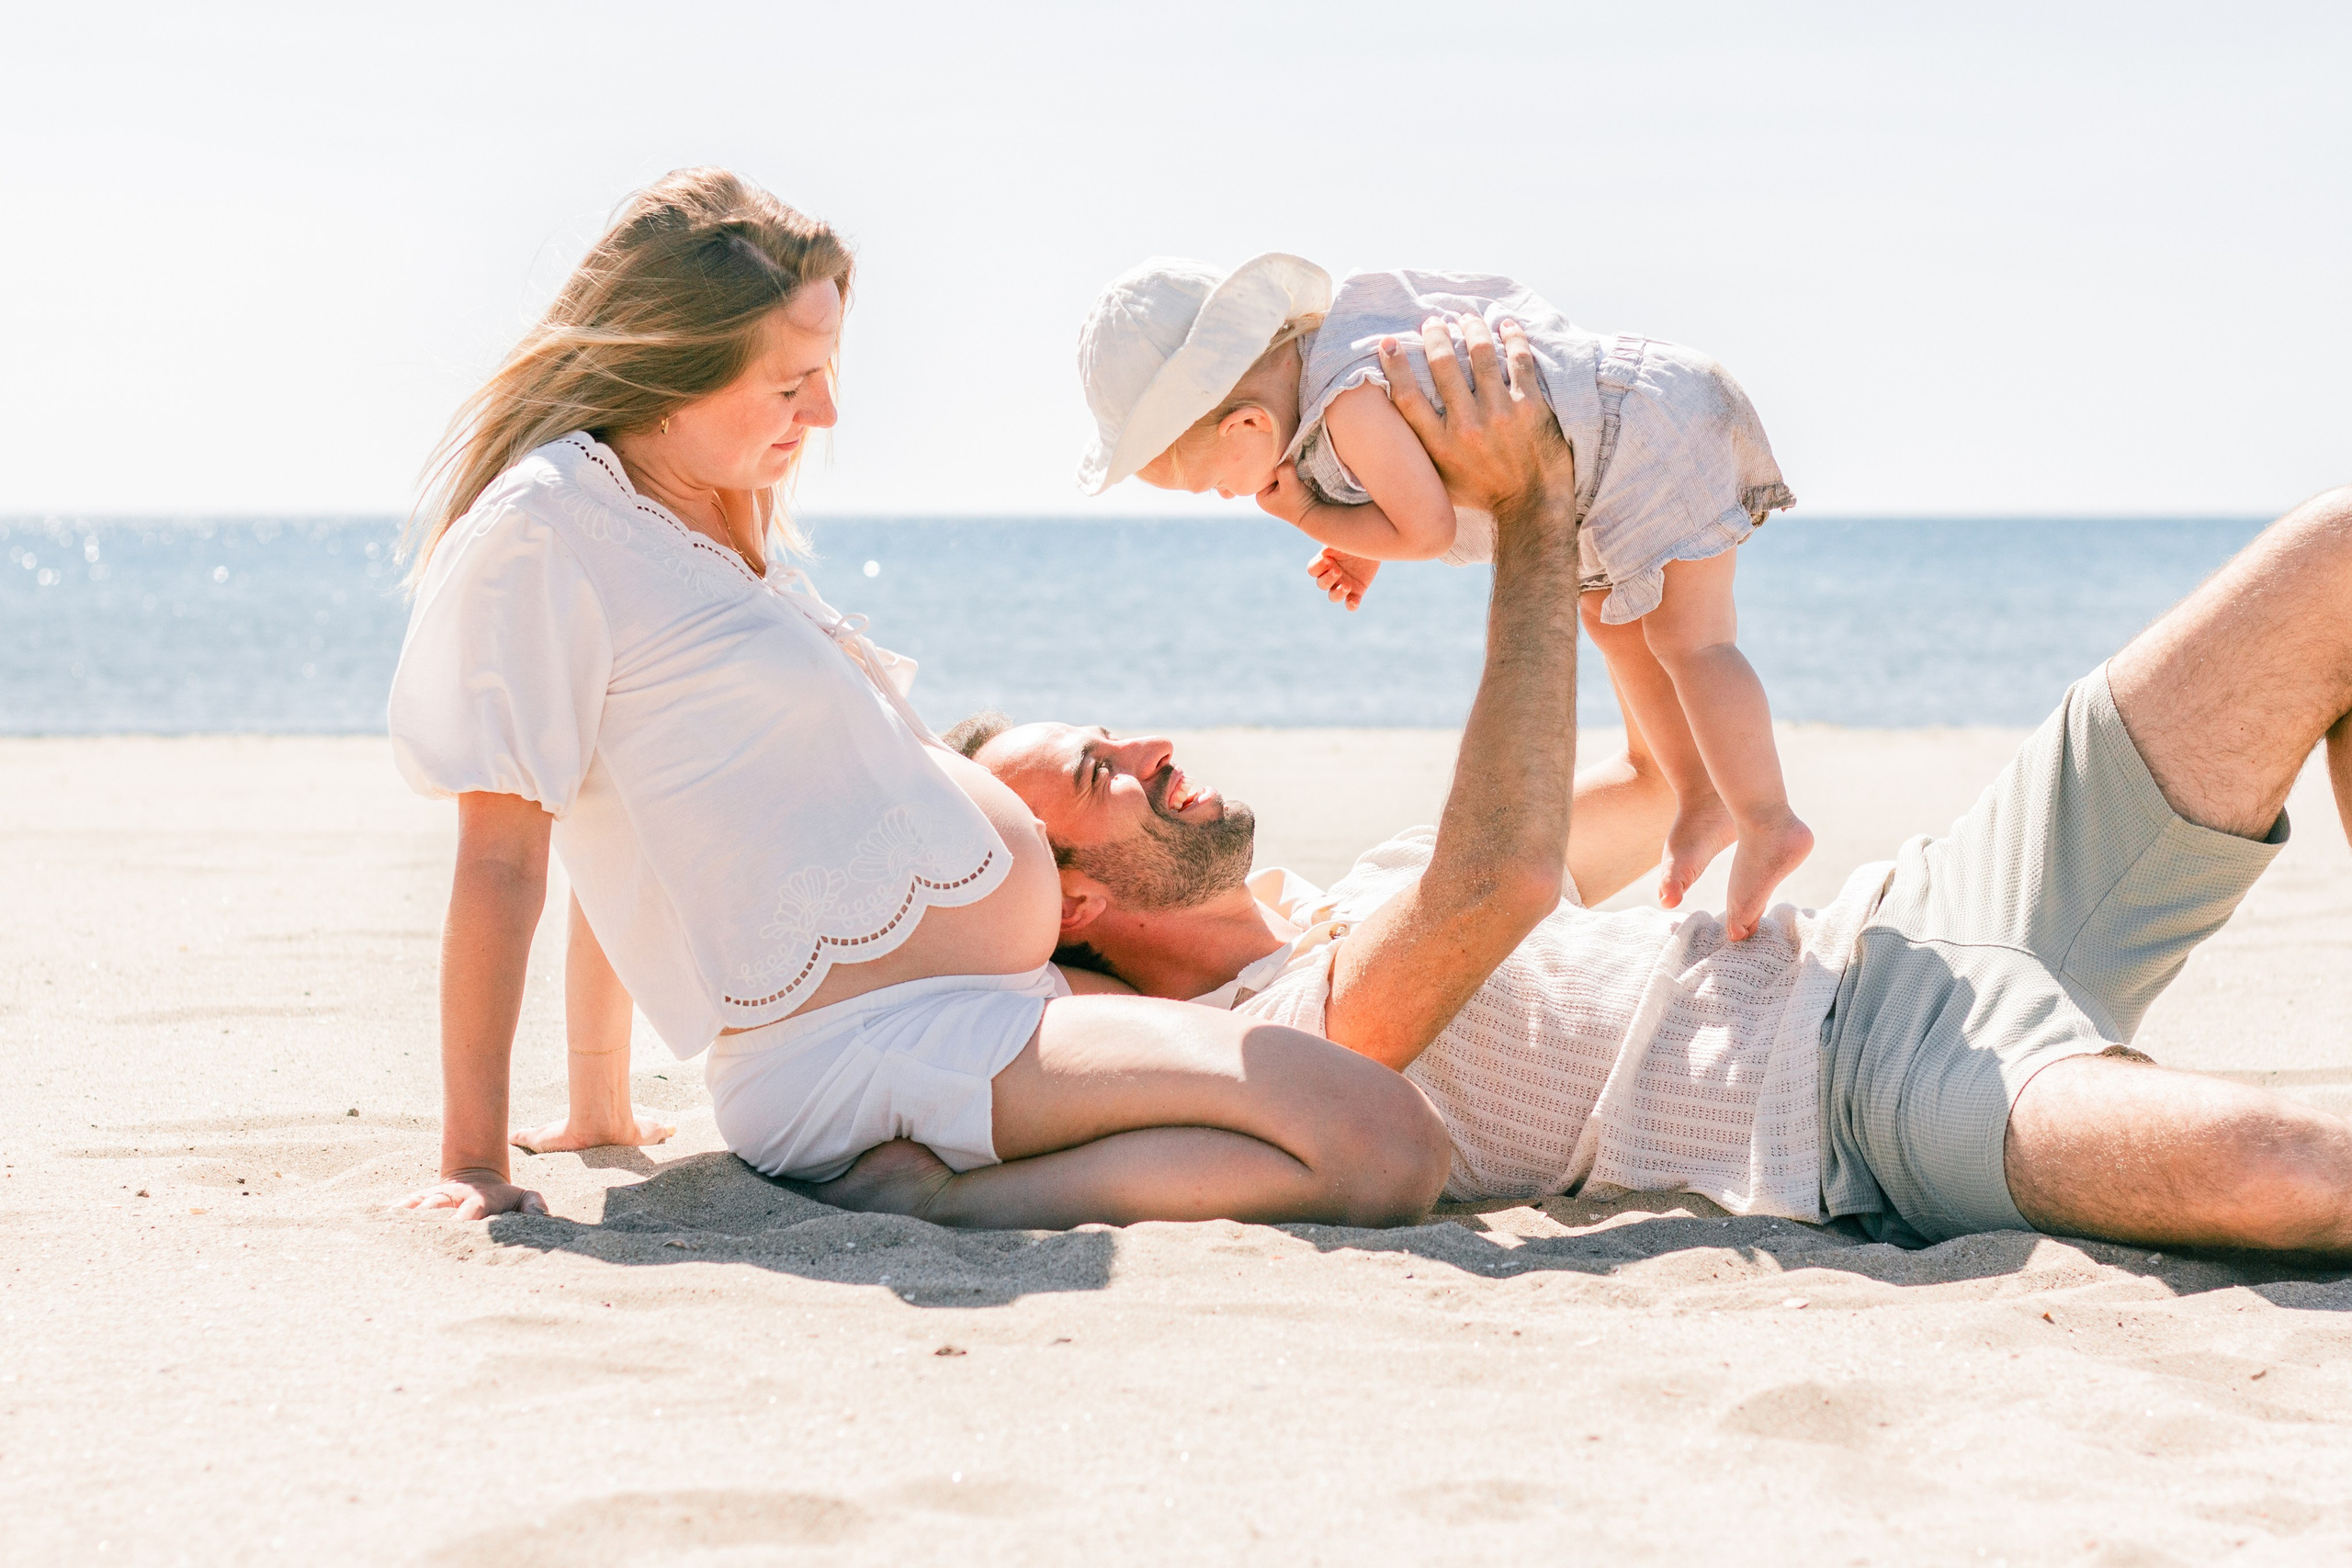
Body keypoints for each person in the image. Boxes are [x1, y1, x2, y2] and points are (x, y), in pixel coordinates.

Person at [968, 311, 2352, 1255]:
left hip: (1910, 916)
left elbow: (1650, 775)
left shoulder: (1365, 887)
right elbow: (1502, 878)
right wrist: (1526, 509)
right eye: (1102, 770)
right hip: (1870, 1098)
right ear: (1069, 890)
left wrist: (1596, 508)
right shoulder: (1279, 1044)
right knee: (2298, 1169)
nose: (1150, 745)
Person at [384, 167, 1453, 1231]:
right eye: (792, 381)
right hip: (865, 1046)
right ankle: (943, 1198)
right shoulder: (549, 528)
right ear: (672, 367)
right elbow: (508, 850)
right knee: (1381, 1143)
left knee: (1365, 1119)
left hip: (984, 1010)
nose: (828, 409)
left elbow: (654, 817)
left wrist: (600, 1101)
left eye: (829, 368)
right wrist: (473, 1161)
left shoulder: (713, 514)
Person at [1075, 254, 1810, 941]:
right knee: (1612, 622)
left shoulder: (1343, 406)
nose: (1231, 495)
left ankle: (1767, 817)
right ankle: (1699, 794)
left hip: (1647, 436)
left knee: (1692, 638)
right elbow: (1416, 483)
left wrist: (1310, 515)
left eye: (1214, 484)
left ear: (1246, 425)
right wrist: (1362, 553)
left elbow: (1424, 528)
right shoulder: (1333, 387)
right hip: (1600, 471)